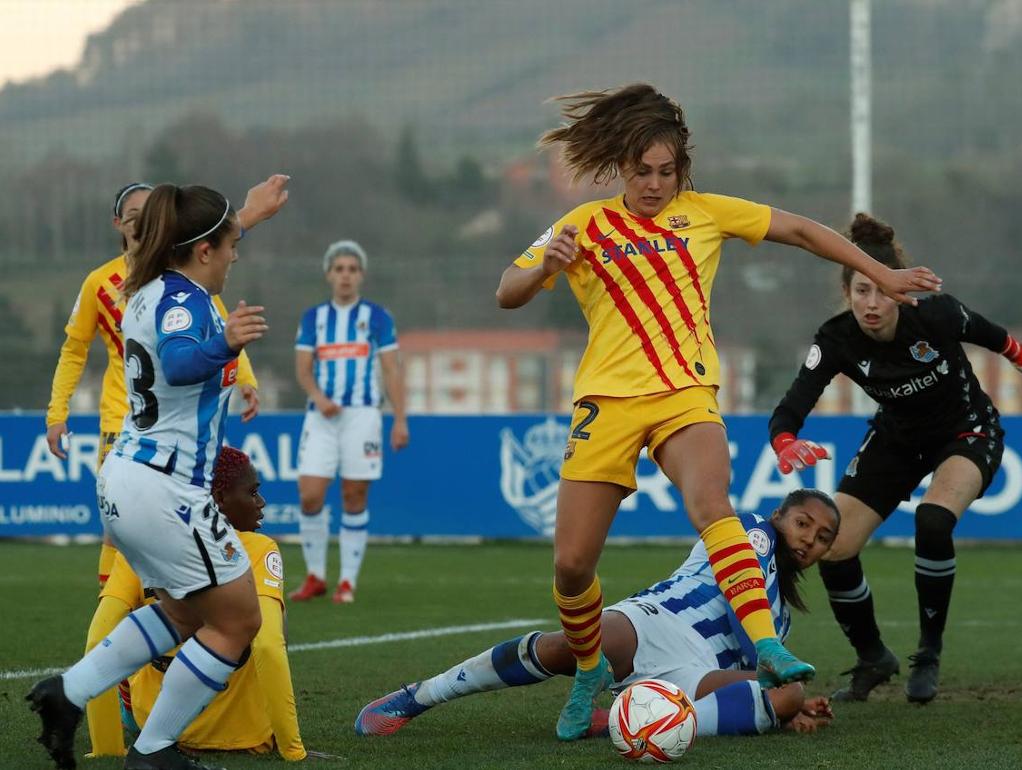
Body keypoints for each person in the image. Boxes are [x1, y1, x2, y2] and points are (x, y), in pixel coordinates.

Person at [494, 83, 942, 739]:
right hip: (606, 405)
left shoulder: (704, 214)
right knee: (571, 566)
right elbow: (507, 291)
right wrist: (542, 270)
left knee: (714, 505)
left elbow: (801, 230)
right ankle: (590, 668)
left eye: (665, 172)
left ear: (682, 171)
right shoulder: (582, 225)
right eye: (642, 171)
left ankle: (767, 644)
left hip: (685, 395)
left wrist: (884, 273)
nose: (653, 184)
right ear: (622, 166)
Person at [27, 176, 289, 770]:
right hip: (166, 488)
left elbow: (196, 250)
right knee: (239, 619)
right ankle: (153, 752)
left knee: (184, 611)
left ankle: (66, 694)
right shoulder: (185, 303)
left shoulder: (144, 283)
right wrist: (223, 341)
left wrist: (247, 215)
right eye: (228, 246)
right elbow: (177, 359)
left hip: (127, 476)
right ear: (202, 251)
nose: (234, 254)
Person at [768, 213, 1022, 705]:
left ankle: (929, 651)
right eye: (861, 291)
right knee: (834, 547)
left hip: (967, 430)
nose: (871, 304)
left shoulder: (935, 315)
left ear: (900, 290)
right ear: (848, 293)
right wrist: (785, 441)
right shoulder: (836, 339)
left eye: (881, 291)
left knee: (933, 520)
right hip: (897, 439)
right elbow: (792, 404)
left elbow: (995, 337)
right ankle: (873, 656)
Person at [356, 490, 840, 740]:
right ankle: (422, 695)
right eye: (802, 523)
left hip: (694, 673)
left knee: (790, 694)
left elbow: (743, 675)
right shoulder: (750, 531)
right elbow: (742, 612)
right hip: (656, 623)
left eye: (821, 538)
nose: (807, 539)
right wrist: (765, 664)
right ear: (778, 516)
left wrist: (783, 706)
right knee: (572, 642)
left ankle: (611, 720)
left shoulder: (782, 621)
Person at [44, 182, 262, 590]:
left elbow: (220, 326)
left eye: (154, 217)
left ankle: (136, 632)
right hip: (128, 424)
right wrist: (57, 412)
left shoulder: (173, 280)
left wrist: (245, 379)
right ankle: (115, 616)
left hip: (183, 427)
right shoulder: (109, 283)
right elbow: (75, 351)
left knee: (169, 553)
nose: (147, 225)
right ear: (119, 225)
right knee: (131, 540)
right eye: (135, 219)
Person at [84, 447, 306, 761]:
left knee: (132, 645)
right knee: (270, 624)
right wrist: (293, 751)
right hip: (241, 735)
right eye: (253, 492)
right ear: (218, 499)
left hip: (153, 728)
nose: (261, 502)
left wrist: (107, 749)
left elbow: (97, 641)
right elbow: (269, 646)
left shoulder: (138, 547)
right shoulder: (257, 548)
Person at [288, 240, 408, 605]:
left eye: (352, 269)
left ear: (361, 276)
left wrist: (399, 418)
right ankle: (314, 575)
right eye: (339, 269)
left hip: (362, 416)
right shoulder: (313, 318)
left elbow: (390, 369)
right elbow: (303, 369)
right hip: (321, 416)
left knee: (354, 494)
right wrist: (319, 397)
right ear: (329, 274)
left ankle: (347, 581)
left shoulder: (377, 317)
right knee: (310, 494)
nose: (345, 275)